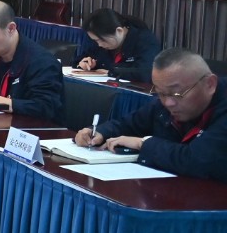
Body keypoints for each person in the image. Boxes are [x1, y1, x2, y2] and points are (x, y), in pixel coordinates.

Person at [74, 48, 225, 181]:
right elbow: (129, 124)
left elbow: (199, 161)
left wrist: (143, 143)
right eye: (161, 93)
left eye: (177, 93)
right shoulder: (164, 101)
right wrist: (100, 133)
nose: (168, 103)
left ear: (210, 84)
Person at [74, 8, 163, 83]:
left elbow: (145, 73)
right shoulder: (101, 43)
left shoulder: (145, 41)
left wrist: (111, 72)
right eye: (95, 40)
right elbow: (78, 60)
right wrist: (83, 64)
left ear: (119, 31)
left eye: (102, 40)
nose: (99, 44)